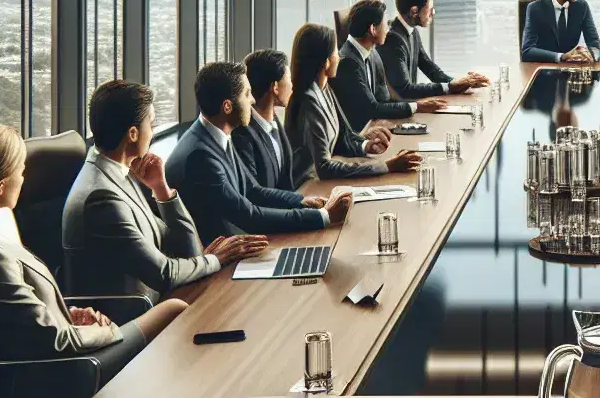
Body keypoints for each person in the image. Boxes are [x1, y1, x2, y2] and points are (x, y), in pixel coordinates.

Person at [0, 123, 186, 381]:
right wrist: (106, 331)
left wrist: (66, 315)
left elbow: (21, 321)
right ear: (1, 185)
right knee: (174, 309)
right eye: (20, 172)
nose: (23, 180)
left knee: (172, 309)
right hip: (72, 371)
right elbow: (56, 341)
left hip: (72, 350)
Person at [62, 79, 266, 303]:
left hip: (165, 301)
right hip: (138, 319)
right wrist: (215, 259)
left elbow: (186, 250)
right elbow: (164, 274)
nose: (153, 131)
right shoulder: (100, 197)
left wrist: (162, 190)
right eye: (151, 124)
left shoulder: (118, 174)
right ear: (133, 134)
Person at [165, 61, 352, 239]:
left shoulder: (216, 134)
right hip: (224, 260)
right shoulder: (200, 156)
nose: (253, 100)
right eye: (247, 94)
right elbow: (249, 216)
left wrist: (301, 201)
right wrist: (323, 216)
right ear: (227, 106)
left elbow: (253, 190)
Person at [285, 22, 423, 182]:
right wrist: (386, 166)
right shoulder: (308, 102)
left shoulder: (325, 88)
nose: (340, 56)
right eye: (336, 52)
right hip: (307, 187)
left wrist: (366, 146)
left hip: (321, 182)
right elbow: (324, 168)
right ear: (326, 62)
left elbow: (344, 136)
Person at [333, 0, 449, 127]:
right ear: (373, 29)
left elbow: (385, 98)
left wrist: (417, 105)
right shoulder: (348, 63)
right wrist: (416, 106)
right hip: (364, 136)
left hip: (380, 126)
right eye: (384, 24)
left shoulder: (371, 52)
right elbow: (371, 109)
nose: (388, 29)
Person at [379, 0, 490, 99]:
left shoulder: (411, 31)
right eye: (430, 8)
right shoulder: (392, 39)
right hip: (397, 113)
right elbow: (404, 89)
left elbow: (430, 68)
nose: (433, 13)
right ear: (414, 11)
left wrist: (465, 83)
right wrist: (451, 86)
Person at [231, 49, 297, 193]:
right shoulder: (242, 134)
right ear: (275, 87)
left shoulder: (274, 122)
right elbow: (253, 194)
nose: (292, 85)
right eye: (289, 79)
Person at [521, 0, 600, 64]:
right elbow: (527, 51)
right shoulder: (535, 8)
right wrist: (561, 57)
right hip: (544, 72)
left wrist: (591, 55)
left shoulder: (581, 6)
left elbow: (595, 45)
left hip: (572, 72)